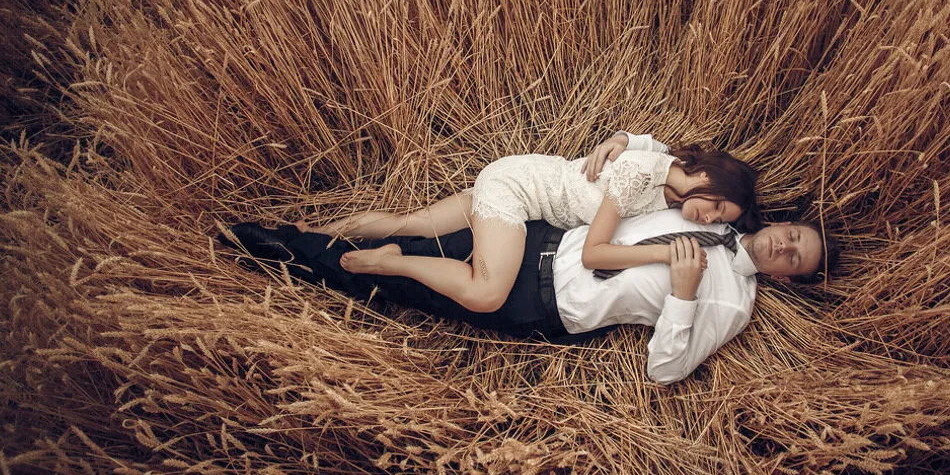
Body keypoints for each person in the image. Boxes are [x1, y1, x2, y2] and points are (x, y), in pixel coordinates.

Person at [220, 207, 840, 384]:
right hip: (539, 235)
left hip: (541, 300)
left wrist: (681, 295)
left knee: (396, 277)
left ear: (787, 277)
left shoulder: (732, 303)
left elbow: (666, 368)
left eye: (795, 258)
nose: (785, 248)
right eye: (791, 236)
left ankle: (268, 249)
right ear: (779, 224)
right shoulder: (716, 213)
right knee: (414, 230)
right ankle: (304, 236)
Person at [292, 132, 761, 317]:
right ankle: (392, 264)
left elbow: (647, 143)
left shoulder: (667, 168)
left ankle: (308, 227)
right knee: (485, 293)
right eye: (718, 207)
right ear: (706, 177)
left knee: (404, 221)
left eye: (722, 220)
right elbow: (594, 254)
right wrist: (664, 254)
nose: (712, 219)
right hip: (518, 192)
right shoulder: (642, 174)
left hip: (522, 173)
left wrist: (621, 136)